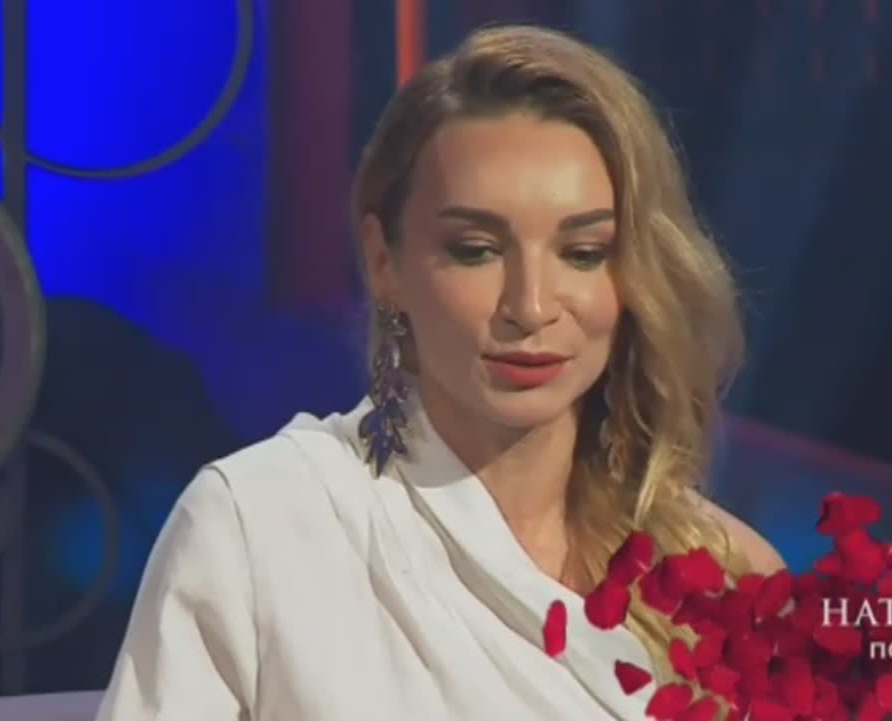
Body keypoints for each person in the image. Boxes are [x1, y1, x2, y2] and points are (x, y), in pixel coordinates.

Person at [95, 24, 784, 721]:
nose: (531, 307)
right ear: (384, 262)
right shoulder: (260, 525)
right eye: (476, 249)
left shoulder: (723, 570)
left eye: (582, 253)